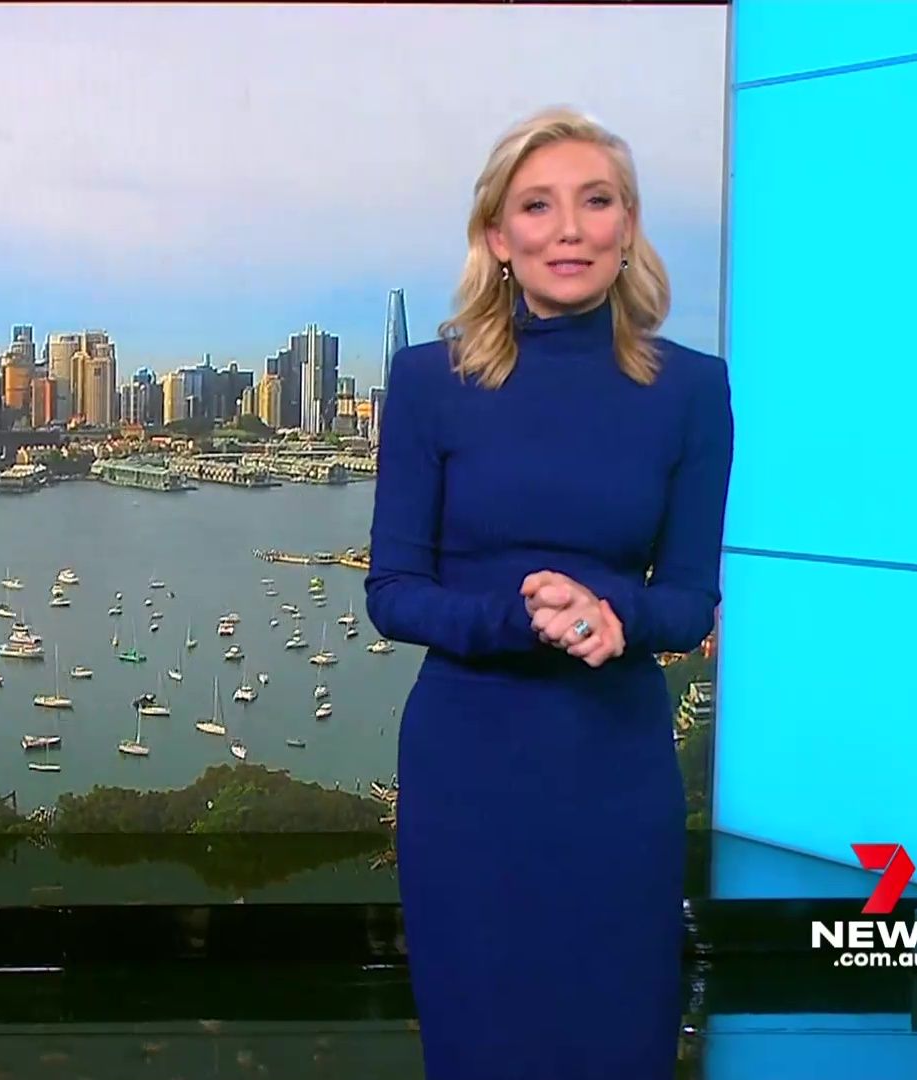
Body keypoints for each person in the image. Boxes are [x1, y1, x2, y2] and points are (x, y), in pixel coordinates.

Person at [364, 106, 734, 1078]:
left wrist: (618, 618)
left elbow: (689, 598)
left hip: (614, 767)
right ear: (498, 236)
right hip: (468, 770)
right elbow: (393, 592)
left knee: (619, 1036)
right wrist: (518, 616)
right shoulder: (428, 381)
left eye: (595, 201)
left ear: (628, 226)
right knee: (481, 1040)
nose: (569, 228)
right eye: (537, 205)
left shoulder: (693, 390)